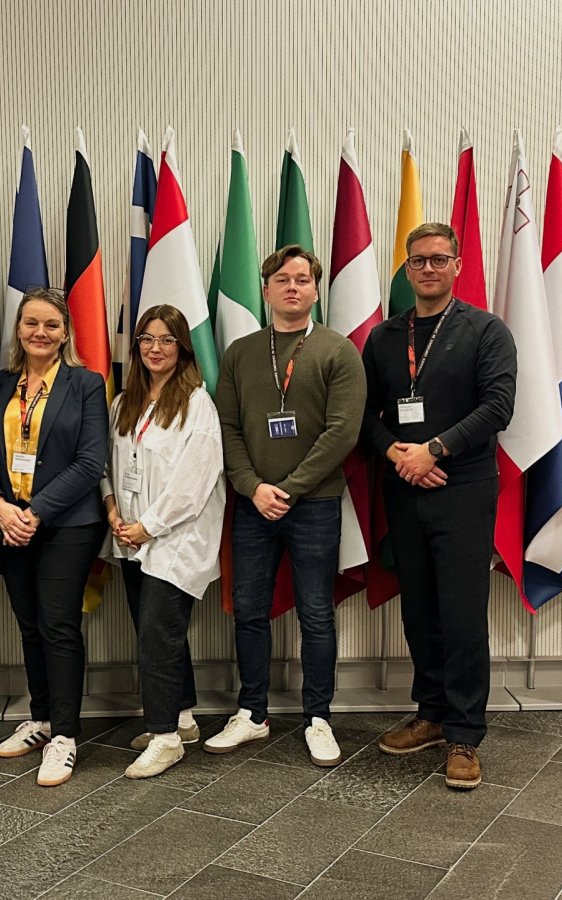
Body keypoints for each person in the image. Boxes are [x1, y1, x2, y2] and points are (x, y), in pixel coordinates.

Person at [361, 222, 516, 790]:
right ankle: (430, 713)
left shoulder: (486, 330)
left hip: (464, 489)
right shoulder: (383, 337)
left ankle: (464, 734)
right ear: (406, 269)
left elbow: (498, 406)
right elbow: (363, 414)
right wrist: (397, 453)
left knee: (462, 613)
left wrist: (435, 449)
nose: (428, 269)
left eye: (439, 259)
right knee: (419, 609)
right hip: (404, 487)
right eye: (419, 261)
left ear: (457, 266)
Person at [208, 245, 367, 767]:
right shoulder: (241, 352)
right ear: (266, 290)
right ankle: (251, 713)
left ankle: (318, 716)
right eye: (282, 279)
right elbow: (227, 427)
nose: (292, 286)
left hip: (314, 505)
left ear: (316, 290)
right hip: (253, 505)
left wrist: (291, 488)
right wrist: (252, 486)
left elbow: (342, 432)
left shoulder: (338, 350)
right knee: (248, 610)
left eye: (302, 279)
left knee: (316, 613)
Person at [0, 288, 107, 787]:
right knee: (30, 626)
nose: (40, 332)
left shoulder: (86, 384)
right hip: (9, 522)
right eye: (31, 323)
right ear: (18, 329)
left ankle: (66, 736)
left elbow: (90, 462)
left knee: (58, 626)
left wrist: (35, 513)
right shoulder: (0, 384)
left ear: (66, 333)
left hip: (66, 525)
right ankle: (42, 718)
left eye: (51, 324)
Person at [101, 305, 225, 779]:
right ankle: (183, 717)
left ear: (182, 348)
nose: (156, 348)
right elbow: (108, 464)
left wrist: (148, 526)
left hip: (175, 539)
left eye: (167, 340)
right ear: (136, 347)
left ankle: (165, 737)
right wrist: (113, 509)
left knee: (157, 635)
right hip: (132, 535)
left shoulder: (196, 403)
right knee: (157, 631)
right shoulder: (124, 403)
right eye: (147, 339)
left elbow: (193, 483)